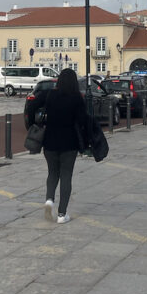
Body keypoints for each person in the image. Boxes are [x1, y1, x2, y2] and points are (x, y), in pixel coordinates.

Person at [25, 69, 88, 223]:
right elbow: (83, 121)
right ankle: (62, 214)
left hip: (50, 141)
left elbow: (32, 106)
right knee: (66, 176)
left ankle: (49, 200)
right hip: (69, 142)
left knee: (52, 173)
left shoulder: (50, 95)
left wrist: (34, 123)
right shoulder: (77, 98)